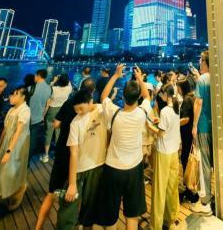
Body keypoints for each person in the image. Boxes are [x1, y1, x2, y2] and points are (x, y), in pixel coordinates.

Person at [95, 64, 151, 230]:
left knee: (110, 215)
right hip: (134, 168)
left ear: (123, 95)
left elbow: (103, 96)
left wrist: (115, 75)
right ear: (137, 96)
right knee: (132, 214)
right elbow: (147, 97)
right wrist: (140, 79)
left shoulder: (114, 113)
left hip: (113, 168)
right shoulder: (141, 113)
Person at [35, 79, 96, 230]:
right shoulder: (91, 111)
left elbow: (56, 123)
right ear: (92, 94)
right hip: (78, 160)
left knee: (51, 193)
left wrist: (65, 124)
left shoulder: (69, 103)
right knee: (76, 195)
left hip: (62, 153)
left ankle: (38, 227)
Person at [0, 86, 31, 225]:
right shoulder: (11, 109)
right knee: (4, 173)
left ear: (23, 97)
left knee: (4, 174)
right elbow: (5, 129)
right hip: (7, 145)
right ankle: (7, 198)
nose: (11, 97)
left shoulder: (25, 110)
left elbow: (18, 132)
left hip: (16, 147)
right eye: (11, 94)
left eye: (15, 95)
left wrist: (8, 152)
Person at [57, 89, 107, 230]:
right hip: (80, 168)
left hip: (98, 165)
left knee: (91, 207)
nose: (78, 112)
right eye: (76, 110)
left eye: (80, 108)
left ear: (90, 102)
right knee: (67, 208)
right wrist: (72, 183)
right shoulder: (75, 123)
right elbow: (74, 153)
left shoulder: (103, 110)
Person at [151, 84, 181, 230]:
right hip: (174, 151)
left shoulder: (164, 111)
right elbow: (171, 126)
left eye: (161, 93)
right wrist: (160, 123)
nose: (160, 95)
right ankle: (171, 217)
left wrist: (150, 126)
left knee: (159, 189)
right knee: (172, 186)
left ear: (166, 95)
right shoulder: (176, 107)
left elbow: (161, 134)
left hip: (163, 152)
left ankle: (156, 225)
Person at [191, 50, 214, 215]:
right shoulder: (216, 78)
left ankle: (205, 202)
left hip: (203, 126)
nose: (199, 63)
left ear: (205, 62)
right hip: (216, 127)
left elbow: (198, 103)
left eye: (200, 60)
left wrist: (194, 125)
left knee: (204, 163)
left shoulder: (202, 80)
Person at [42, 73, 72, 163]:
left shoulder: (53, 89)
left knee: (48, 132)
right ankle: (56, 154)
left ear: (59, 81)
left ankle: (46, 155)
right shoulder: (69, 89)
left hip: (52, 110)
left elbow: (47, 97)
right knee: (59, 133)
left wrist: (54, 81)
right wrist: (63, 78)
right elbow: (69, 83)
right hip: (62, 111)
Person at [177, 76, 197, 202]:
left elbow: (186, 119)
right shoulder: (192, 97)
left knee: (186, 160)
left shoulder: (186, 100)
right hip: (191, 135)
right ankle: (190, 187)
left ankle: (189, 190)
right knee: (189, 160)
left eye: (178, 87)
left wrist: (173, 123)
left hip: (187, 136)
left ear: (181, 88)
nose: (177, 90)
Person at [28, 69, 51, 160]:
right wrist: (42, 116)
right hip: (38, 119)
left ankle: (23, 160)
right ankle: (28, 160)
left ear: (38, 76)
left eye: (35, 75)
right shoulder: (49, 88)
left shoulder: (30, 88)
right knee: (33, 141)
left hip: (28, 119)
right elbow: (47, 105)